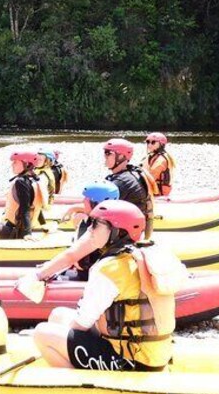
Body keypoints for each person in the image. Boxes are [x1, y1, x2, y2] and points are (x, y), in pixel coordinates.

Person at [32, 200, 175, 372]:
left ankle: (81, 388)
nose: (90, 230)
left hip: (130, 360)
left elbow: (81, 324)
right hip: (152, 354)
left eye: (96, 224)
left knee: (42, 333)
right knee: (58, 315)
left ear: (116, 232)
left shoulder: (108, 268)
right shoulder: (143, 256)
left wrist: (58, 343)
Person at [21, 182, 120, 283]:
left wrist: (38, 275)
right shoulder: (109, 221)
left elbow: (70, 256)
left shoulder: (101, 229)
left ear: (95, 203)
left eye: (87, 199)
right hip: (95, 274)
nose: (83, 201)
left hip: (97, 279)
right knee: (79, 217)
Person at [0, 150, 44, 240]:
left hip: (14, 232)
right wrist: (43, 225)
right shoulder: (34, 180)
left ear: (26, 164)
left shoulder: (21, 182)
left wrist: (27, 233)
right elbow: (36, 206)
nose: (12, 165)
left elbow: (25, 208)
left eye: (15, 162)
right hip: (15, 229)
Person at [103, 138, 158, 238]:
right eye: (104, 152)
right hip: (133, 229)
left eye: (108, 153)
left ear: (122, 156)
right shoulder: (131, 173)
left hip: (126, 234)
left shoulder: (122, 181)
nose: (104, 156)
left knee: (81, 217)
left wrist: (74, 209)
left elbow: (99, 208)